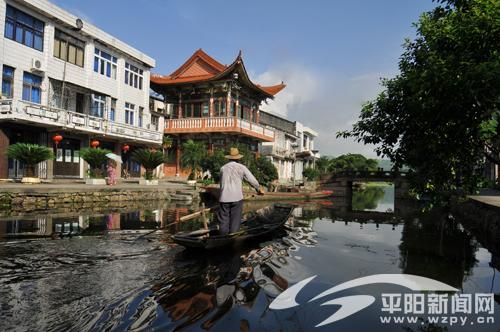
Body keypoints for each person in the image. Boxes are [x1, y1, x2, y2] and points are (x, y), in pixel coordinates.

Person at [218, 147, 264, 235]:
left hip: (224, 198)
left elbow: (221, 184)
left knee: (224, 220)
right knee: (235, 220)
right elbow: (252, 180)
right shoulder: (242, 167)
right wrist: (258, 189)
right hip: (236, 198)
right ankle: (232, 237)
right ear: (238, 158)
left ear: (228, 158)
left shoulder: (223, 168)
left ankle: (222, 237)